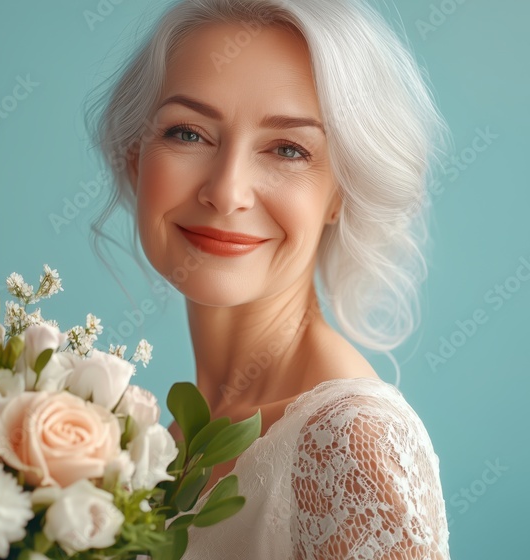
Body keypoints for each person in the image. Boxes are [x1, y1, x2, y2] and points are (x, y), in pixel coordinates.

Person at [84, 0, 451, 558]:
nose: (227, 191)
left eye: (288, 149)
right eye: (188, 134)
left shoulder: (351, 444)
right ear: (136, 159)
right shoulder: (164, 438)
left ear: (340, 195)